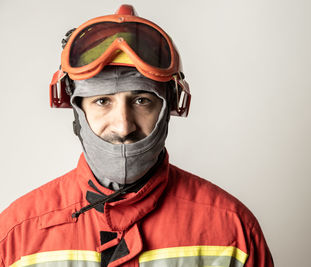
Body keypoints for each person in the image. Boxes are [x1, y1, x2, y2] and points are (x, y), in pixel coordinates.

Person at [0, 4, 273, 267]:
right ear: (76, 110)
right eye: (102, 101)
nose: (123, 126)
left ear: (169, 108)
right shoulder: (16, 236)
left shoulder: (233, 231)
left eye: (142, 100)